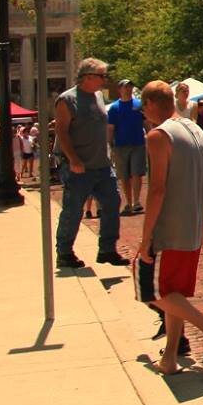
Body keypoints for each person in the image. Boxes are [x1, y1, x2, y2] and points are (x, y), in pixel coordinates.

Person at [137, 79, 203, 373]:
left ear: (152, 104)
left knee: (151, 291)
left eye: (144, 107)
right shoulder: (196, 129)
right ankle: (170, 358)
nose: (143, 113)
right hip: (194, 223)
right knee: (174, 291)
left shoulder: (158, 135)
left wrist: (145, 237)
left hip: (170, 227)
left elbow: (157, 189)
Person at [53, 57, 122, 269]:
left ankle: (107, 249)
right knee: (73, 209)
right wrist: (73, 159)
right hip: (77, 166)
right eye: (102, 76)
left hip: (101, 164)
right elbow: (61, 132)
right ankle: (64, 252)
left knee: (112, 202)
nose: (104, 80)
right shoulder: (67, 100)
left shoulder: (99, 96)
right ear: (88, 77)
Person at [108, 78, 148, 216]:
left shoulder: (138, 105)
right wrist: (110, 144)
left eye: (130, 87)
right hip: (120, 145)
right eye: (125, 87)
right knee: (124, 176)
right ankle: (128, 202)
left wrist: (150, 135)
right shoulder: (114, 108)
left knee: (137, 173)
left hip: (138, 143)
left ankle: (136, 202)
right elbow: (110, 128)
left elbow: (147, 122)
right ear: (120, 89)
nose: (128, 89)